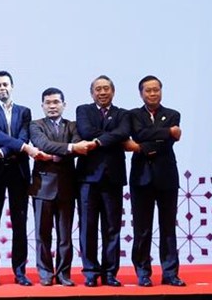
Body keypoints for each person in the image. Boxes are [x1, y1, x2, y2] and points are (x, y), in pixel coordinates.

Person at [0, 70, 44, 287]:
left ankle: (20, 271)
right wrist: (22, 147)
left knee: (20, 224)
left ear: (12, 86)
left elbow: (23, 137)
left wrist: (3, 152)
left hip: (18, 171)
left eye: (5, 84)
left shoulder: (24, 112)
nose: (2, 88)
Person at [124, 76, 186, 287]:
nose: (153, 94)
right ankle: (143, 272)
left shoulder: (173, 114)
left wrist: (146, 142)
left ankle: (170, 273)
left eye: (156, 90)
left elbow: (152, 140)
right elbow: (140, 133)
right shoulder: (132, 115)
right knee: (142, 228)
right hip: (141, 178)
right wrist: (167, 132)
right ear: (141, 93)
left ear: (161, 91)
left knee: (168, 227)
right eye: (148, 91)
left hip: (167, 176)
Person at [29, 88, 95, 286]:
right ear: (42, 106)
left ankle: (64, 274)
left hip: (67, 185)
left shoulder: (72, 126)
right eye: (48, 102)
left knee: (65, 235)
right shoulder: (35, 125)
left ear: (64, 105)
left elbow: (78, 145)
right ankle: (45, 274)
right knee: (42, 234)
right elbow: (42, 144)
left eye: (56, 102)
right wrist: (67, 149)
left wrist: (65, 150)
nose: (52, 106)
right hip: (42, 187)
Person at [75, 75, 130, 287]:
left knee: (112, 228)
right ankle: (90, 272)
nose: (102, 92)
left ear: (113, 91)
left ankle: (110, 273)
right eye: (98, 89)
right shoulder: (83, 110)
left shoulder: (123, 114)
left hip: (113, 178)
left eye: (106, 88)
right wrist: (112, 137)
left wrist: (98, 141)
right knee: (88, 227)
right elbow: (85, 131)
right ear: (92, 93)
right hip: (88, 178)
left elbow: (123, 132)